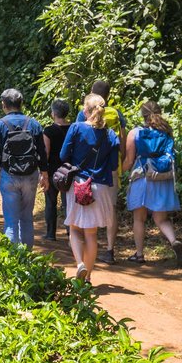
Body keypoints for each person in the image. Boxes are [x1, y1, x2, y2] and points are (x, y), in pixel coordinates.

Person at [61, 93, 121, 283]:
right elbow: (113, 166)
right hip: (100, 187)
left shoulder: (76, 128)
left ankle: (80, 265)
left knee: (75, 229)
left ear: (85, 111)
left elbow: (64, 155)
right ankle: (88, 277)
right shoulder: (111, 134)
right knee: (92, 233)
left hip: (79, 184)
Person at [122, 101, 182, 265]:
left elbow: (129, 161)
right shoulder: (166, 132)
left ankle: (139, 254)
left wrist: (117, 172)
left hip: (143, 177)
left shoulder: (135, 133)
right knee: (161, 219)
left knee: (139, 218)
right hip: (162, 178)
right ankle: (174, 241)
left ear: (142, 115)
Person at [0, 89, 48, 248]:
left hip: (9, 175)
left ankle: (14, 261)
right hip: (30, 176)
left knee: (11, 220)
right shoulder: (34, 124)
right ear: (21, 104)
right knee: (27, 217)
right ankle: (27, 257)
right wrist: (45, 174)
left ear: (3, 104)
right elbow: (42, 152)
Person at [75, 80, 127, 264]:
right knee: (111, 208)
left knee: (84, 206)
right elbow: (122, 141)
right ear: (109, 96)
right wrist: (121, 163)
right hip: (110, 169)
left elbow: (76, 139)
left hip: (85, 170)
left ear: (91, 93)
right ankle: (110, 250)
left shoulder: (84, 113)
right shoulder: (117, 114)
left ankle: (83, 247)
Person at [42, 98, 72, 241]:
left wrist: (43, 173)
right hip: (69, 172)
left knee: (51, 202)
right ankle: (70, 233)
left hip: (53, 171)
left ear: (53, 113)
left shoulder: (48, 131)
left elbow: (45, 153)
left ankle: (50, 234)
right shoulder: (73, 128)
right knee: (68, 204)